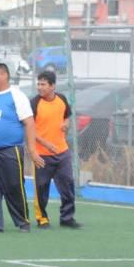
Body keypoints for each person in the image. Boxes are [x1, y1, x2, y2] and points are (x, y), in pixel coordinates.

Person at [0, 63, 44, 233]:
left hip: (9, 150)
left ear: (5, 76)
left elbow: (29, 123)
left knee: (14, 187)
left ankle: (22, 222)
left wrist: (32, 150)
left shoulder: (16, 96)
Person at [30, 71, 81, 229]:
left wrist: (66, 123)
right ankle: (42, 218)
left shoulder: (62, 99)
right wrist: (46, 144)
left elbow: (67, 116)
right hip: (41, 155)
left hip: (62, 152)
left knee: (67, 184)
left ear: (53, 86)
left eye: (43, 84)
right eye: (38, 84)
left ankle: (67, 217)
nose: (40, 87)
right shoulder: (34, 103)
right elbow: (29, 129)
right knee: (41, 187)